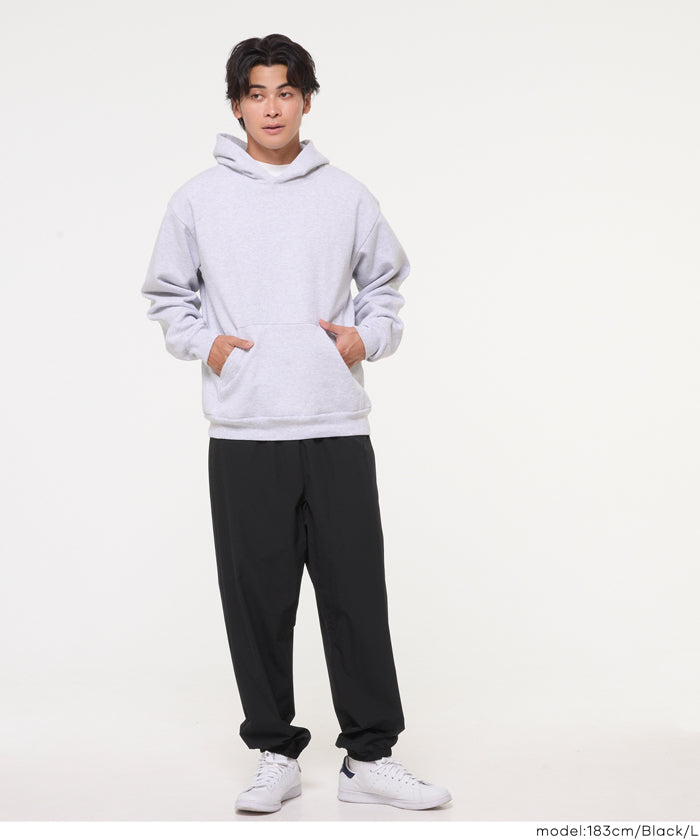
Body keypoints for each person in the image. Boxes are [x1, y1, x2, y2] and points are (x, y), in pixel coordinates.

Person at [141, 32, 451, 814]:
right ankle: (274, 754)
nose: (272, 107)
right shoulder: (198, 199)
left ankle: (369, 758)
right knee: (258, 600)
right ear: (237, 105)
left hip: (336, 425)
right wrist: (208, 346)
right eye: (257, 94)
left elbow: (385, 285)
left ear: (307, 100)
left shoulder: (345, 194)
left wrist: (364, 338)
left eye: (285, 91)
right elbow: (168, 295)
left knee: (356, 595)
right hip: (246, 433)